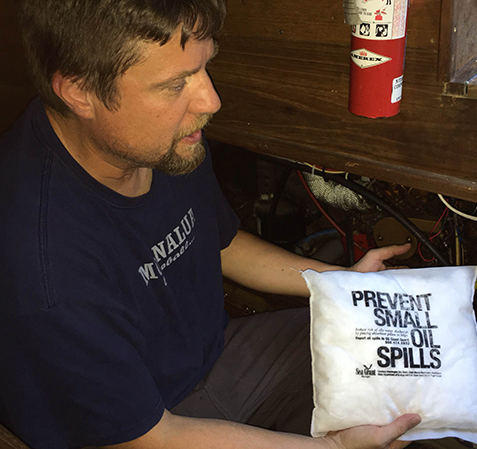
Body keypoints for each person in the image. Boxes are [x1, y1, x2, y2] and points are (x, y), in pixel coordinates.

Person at [0, 0, 419, 448]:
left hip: (213, 359)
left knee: (397, 368)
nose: (210, 100)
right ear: (80, 92)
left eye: (204, 67)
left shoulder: (159, 139)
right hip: (147, 427)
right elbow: (151, 438)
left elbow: (221, 243)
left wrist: (343, 285)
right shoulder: (42, 261)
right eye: (175, 83)